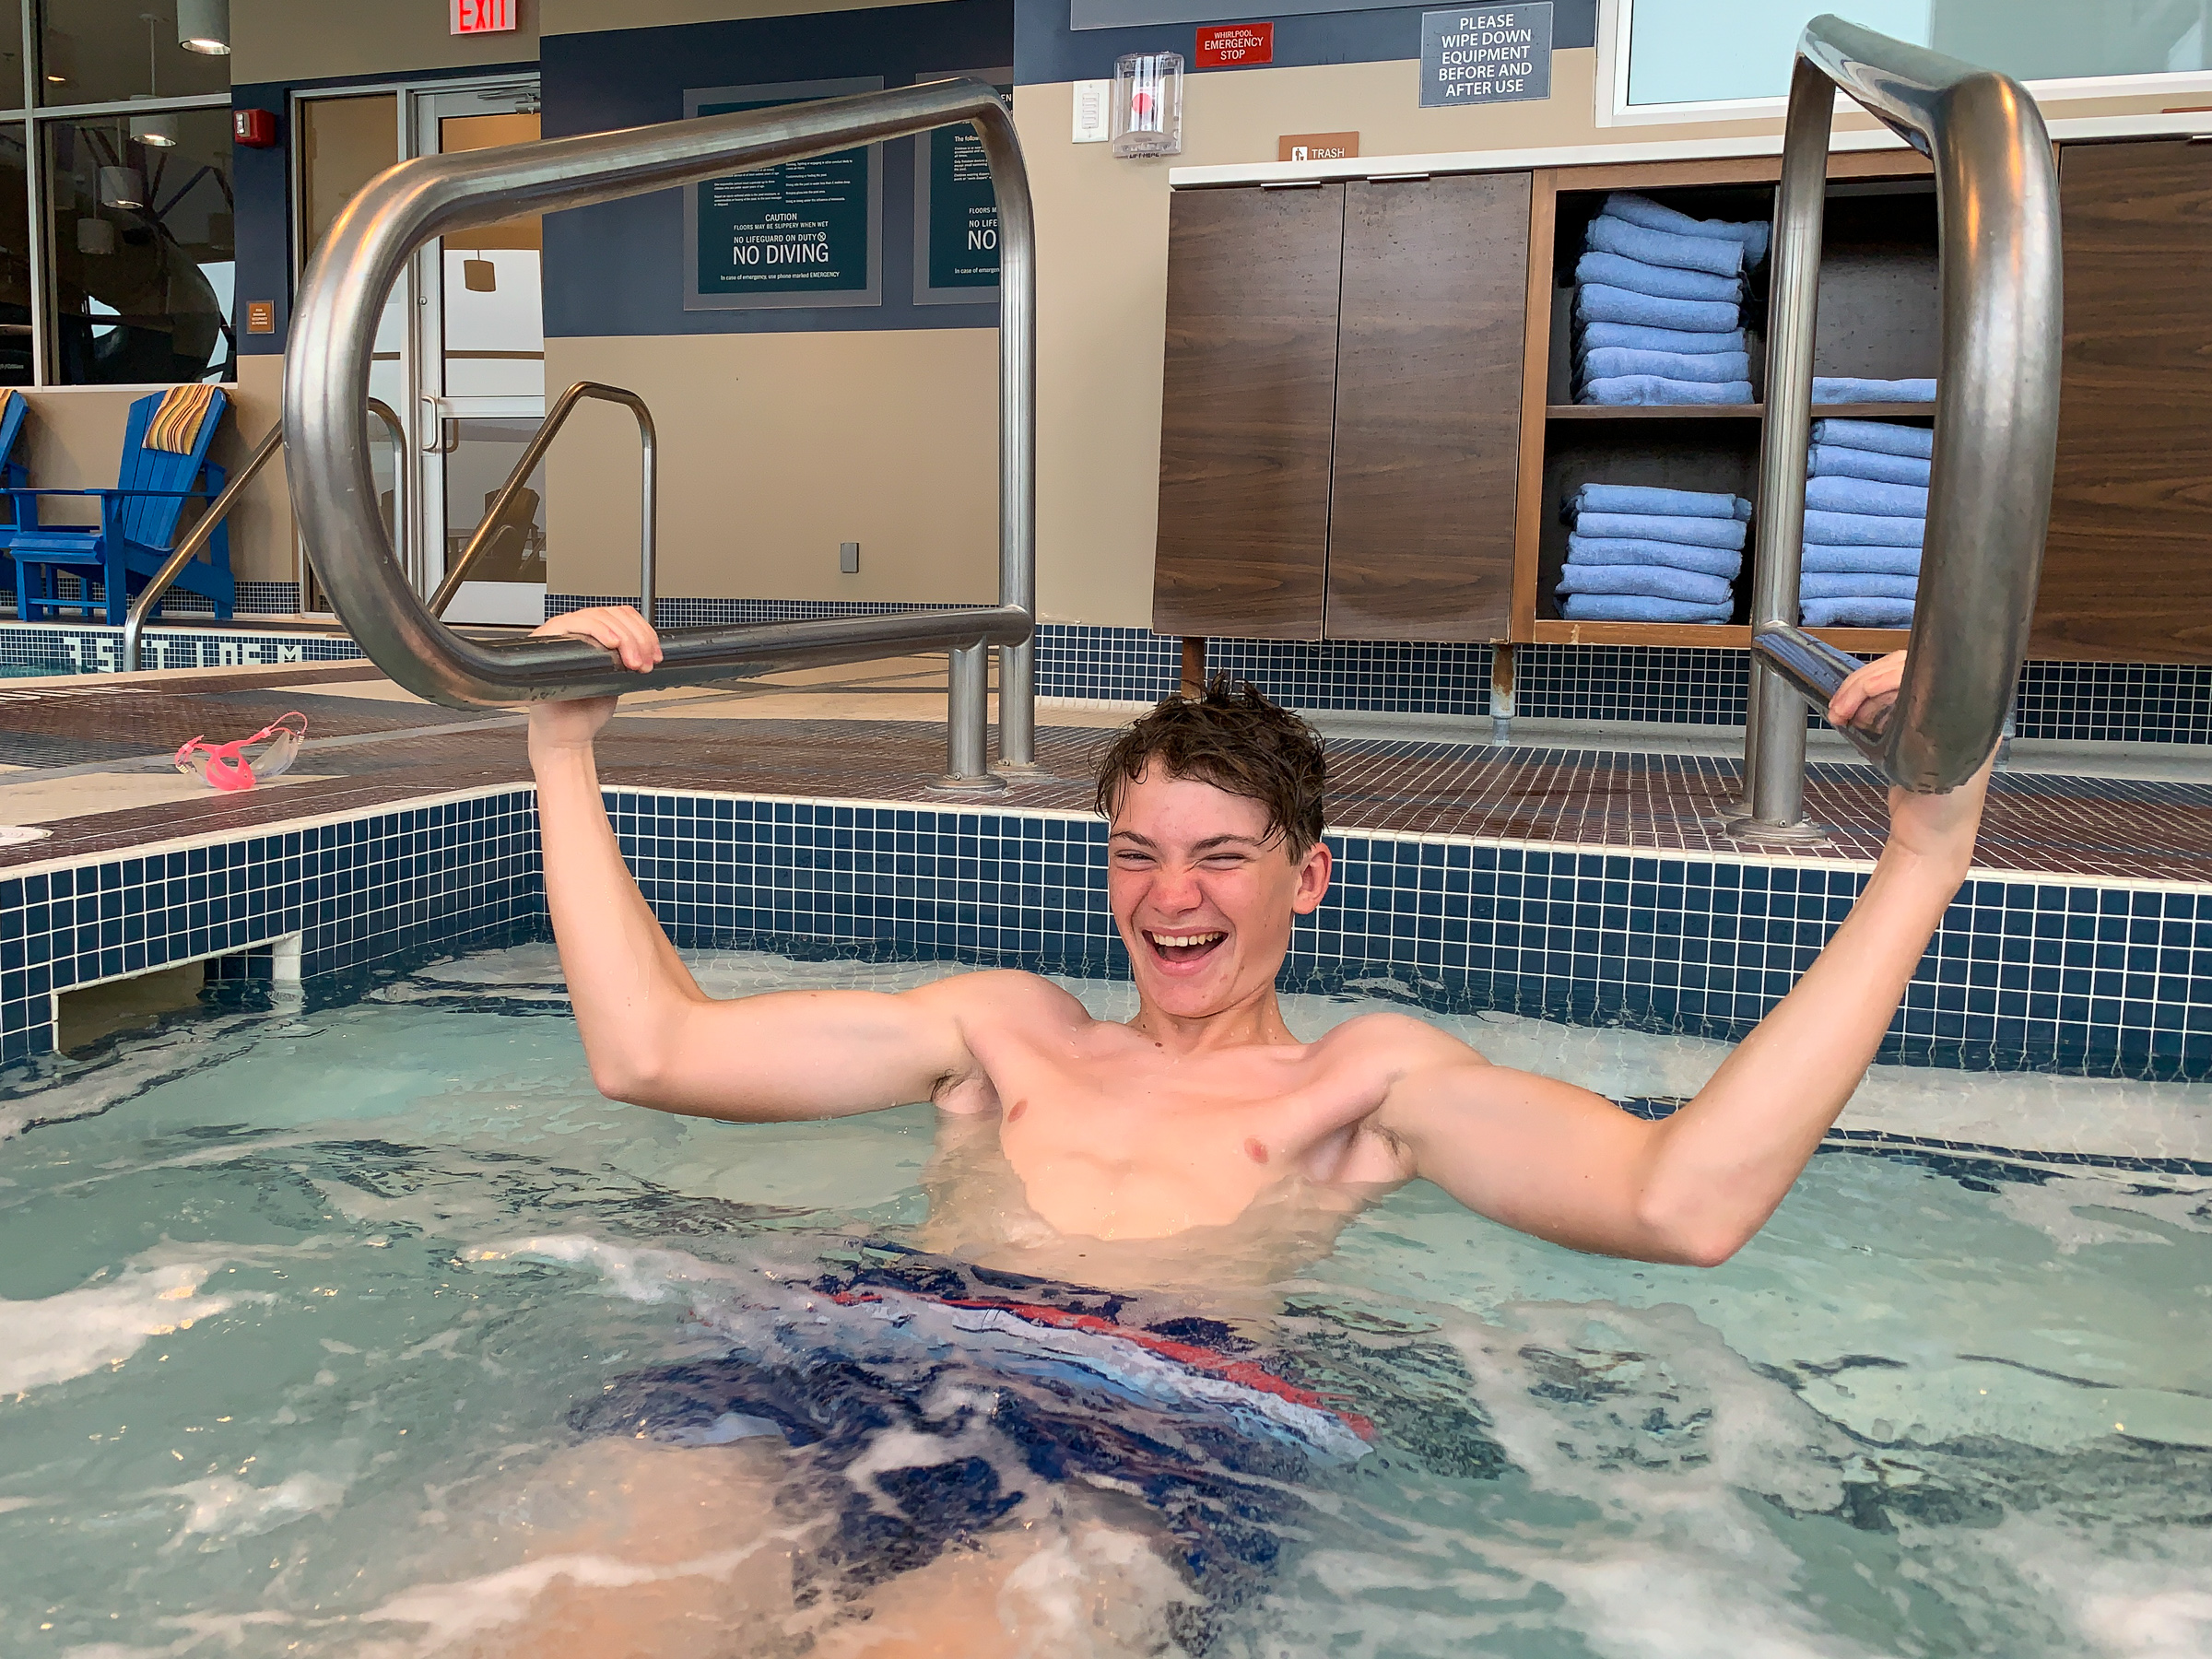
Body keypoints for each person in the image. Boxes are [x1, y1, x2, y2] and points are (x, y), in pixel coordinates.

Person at [470, 607, 1963, 1655]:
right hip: (843, 1363)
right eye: (1138, 855)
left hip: (1128, 1438)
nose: (1171, 899)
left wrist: (1924, 848)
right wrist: (561, 749)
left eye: (1221, 858)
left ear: (1307, 879)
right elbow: (650, 1051)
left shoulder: (1361, 1090)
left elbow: (1680, 1200)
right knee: (568, 1622)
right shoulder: (1004, 1033)